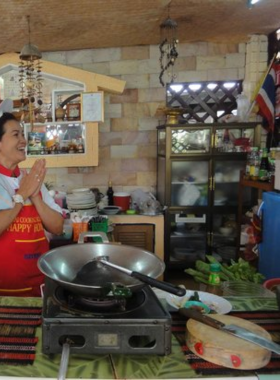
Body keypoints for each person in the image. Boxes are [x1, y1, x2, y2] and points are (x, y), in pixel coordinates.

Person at [0, 112, 64, 297]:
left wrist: (36, 197)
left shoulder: (31, 178)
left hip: (39, 285)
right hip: (4, 291)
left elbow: (58, 227)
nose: (24, 140)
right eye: (15, 134)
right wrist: (22, 195)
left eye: (22, 134)